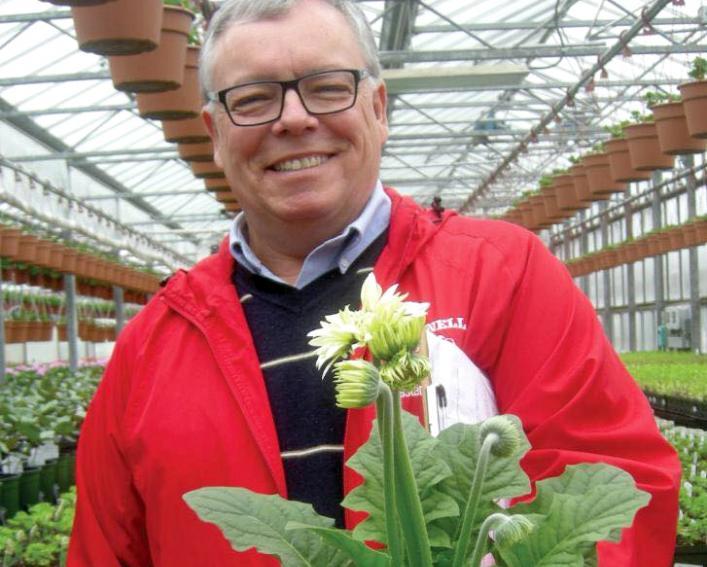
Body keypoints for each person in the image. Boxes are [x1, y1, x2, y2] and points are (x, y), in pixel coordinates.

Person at [68, 0, 681, 565]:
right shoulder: (152, 343)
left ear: (379, 109)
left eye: (327, 88)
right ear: (215, 133)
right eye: (253, 100)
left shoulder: (504, 271)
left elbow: (616, 486)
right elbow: (104, 548)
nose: (295, 119)